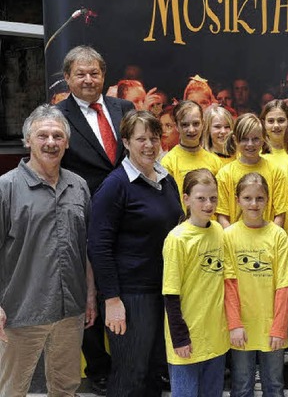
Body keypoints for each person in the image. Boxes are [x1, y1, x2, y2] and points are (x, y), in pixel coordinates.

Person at [88, 110, 183, 397]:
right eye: (141, 138)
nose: (149, 145)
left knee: (154, 372)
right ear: (126, 142)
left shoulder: (167, 180)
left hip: (161, 291)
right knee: (131, 375)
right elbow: (98, 246)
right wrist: (113, 299)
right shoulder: (115, 185)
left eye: (154, 138)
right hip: (130, 296)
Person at [0, 105, 93, 396]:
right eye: (43, 135)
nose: (50, 142)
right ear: (28, 140)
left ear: (66, 142)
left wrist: (90, 295)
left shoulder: (78, 186)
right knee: (13, 389)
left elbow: (85, 248)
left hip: (71, 311)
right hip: (19, 312)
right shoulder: (6, 188)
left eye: (57, 136)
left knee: (66, 388)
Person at [58, 45, 135, 394]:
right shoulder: (57, 116)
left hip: (129, 216)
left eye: (95, 73)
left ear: (104, 76)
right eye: (80, 73)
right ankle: (99, 367)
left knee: (126, 290)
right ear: (67, 77)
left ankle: (130, 361)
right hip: (82, 217)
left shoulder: (125, 108)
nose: (89, 79)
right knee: (87, 293)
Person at [162, 169, 230, 397]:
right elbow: (170, 294)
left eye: (213, 198)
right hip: (187, 340)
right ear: (186, 199)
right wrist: (180, 337)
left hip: (216, 339)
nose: (208, 204)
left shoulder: (220, 231)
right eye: (201, 198)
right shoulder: (177, 239)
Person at [224, 173, 288, 397]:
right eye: (247, 198)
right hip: (241, 327)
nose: (254, 204)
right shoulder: (228, 236)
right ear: (238, 200)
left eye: (260, 198)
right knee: (242, 386)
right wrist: (234, 324)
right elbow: (229, 284)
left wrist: (280, 327)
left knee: (274, 385)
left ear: (268, 200)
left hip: (271, 325)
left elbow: (283, 285)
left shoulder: (278, 235)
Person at [216, 114, 287, 228]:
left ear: (263, 139)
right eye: (244, 139)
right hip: (236, 242)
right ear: (235, 139)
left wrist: (270, 240)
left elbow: (280, 214)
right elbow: (222, 215)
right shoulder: (225, 174)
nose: (250, 144)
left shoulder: (275, 172)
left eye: (255, 139)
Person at [161, 100, 222, 211]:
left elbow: (220, 204)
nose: (191, 129)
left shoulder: (215, 161)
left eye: (196, 123)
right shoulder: (168, 162)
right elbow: (167, 204)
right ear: (176, 127)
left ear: (203, 124)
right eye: (185, 125)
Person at [260, 100, 288, 169]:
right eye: (271, 121)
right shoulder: (254, 151)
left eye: (281, 120)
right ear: (264, 123)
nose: (276, 126)